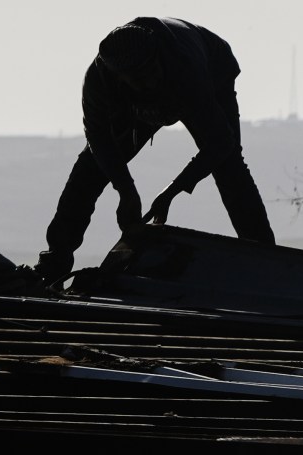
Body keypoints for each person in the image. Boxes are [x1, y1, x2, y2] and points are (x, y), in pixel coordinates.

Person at [35, 17, 275, 283]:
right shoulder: (98, 82)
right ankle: (54, 262)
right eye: (137, 79)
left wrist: (171, 191)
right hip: (140, 103)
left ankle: (264, 258)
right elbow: (99, 142)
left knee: (229, 165)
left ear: (159, 58)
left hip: (210, 67)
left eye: (150, 73)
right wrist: (126, 191)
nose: (148, 82)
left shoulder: (186, 69)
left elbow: (220, 142)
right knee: (88, 171)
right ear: (119, 78)